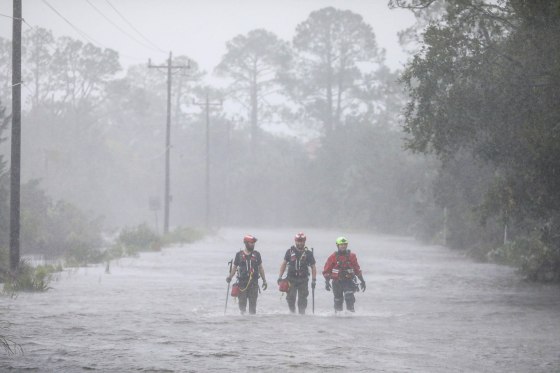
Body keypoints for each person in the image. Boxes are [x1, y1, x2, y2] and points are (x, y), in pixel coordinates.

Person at [226, 235, 268, 315]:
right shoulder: (239, 255)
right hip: (242, 284)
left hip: (254, 284)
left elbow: (261, 268)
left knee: (252, 308)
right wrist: (230, 277)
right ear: (246, 243)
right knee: (242, 307)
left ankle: (252, 324)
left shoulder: (257, 254)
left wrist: (264, 281)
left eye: (254, 243)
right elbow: (234, 268)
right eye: (251, 243)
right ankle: (243, 323)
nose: (253, 244)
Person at [323, 236, 366, 313]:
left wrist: (362, 281)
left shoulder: (352, 256)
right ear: (337, 245)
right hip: (337, 282)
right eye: (341, 244)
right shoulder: (332, 257)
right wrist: (327, 282)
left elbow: (357, 269)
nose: (343, 246)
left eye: (345, 244)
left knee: (349, 297)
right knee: (338, 301)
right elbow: (327, 271)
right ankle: (338, 318)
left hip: (349, 281)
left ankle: (351, 316)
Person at [277, 232, 317, 314]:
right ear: (295, 241)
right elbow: (284, 264)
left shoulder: (308, 253)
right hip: (291, 279)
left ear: (304, 241)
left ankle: (302, 316)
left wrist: (314, 280)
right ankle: (292, 313)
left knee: (302, 300)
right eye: (298, 241)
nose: (300, 243)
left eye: (301, 241)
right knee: (291, 298)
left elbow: (313, 267)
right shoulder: (289, 252)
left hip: (303, 280)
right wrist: (280, 277)